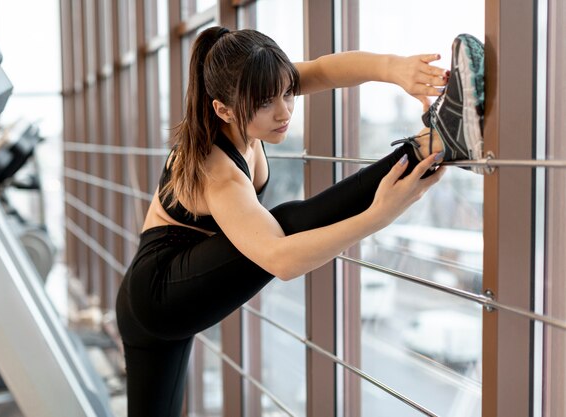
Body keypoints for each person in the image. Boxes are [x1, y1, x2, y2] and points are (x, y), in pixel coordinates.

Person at [115, 27, 485, 417]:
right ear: (222, 109)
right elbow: (281, 259)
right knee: (285, 224)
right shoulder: (217, 173)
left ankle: (441, 139)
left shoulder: (255, 94)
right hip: (159, 293)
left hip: (168, 295)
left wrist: (395, 69)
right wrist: (379, 216)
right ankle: (439, 140)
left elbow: (326, 71)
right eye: (265, 103)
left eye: (288, 92)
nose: (284, 111)